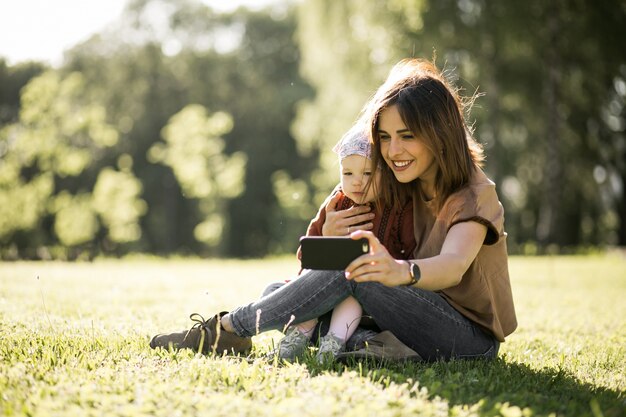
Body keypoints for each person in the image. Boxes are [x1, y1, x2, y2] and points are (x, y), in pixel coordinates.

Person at [150, 58, 517, 362]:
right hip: (405, 311)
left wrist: (396, 270)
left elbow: (452, 267)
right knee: (284, 288)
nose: (393, 151)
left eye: (407, 136)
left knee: (354, 270)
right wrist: (328, 237)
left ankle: (230, 329)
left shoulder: (473, 194)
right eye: (385, 138)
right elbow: (324, 244)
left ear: (440, 133)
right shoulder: (399, 181)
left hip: (468, 336)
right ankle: (375, 347)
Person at [272, 122, 415, 363]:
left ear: (385, 173)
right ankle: (301, 334)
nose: (357, 182)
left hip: (369, 296)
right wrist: (327, 234)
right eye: (348, 173)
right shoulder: (336, 203)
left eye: (367, 173)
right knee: (275, 290)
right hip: (324, 292)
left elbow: (409, 253)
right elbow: (307, 254)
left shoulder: (398, 206)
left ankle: (334, 341)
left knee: (350, 286)